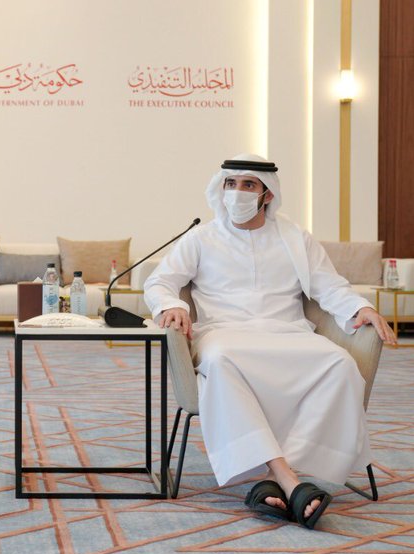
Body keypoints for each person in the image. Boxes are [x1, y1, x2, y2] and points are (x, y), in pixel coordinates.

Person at [144, 154, 396, 529]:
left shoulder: (294, 238)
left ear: (267, 194)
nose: (238, 192)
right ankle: (290, 480)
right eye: (231, 184)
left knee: (340, 364)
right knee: (221, 361)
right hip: (224, 334)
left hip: (287, 332)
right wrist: (172, 305)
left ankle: (272, 479)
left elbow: (329, 285)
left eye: (248, 185)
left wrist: (361, 307)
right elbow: (160, 282)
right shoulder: (201, 238)